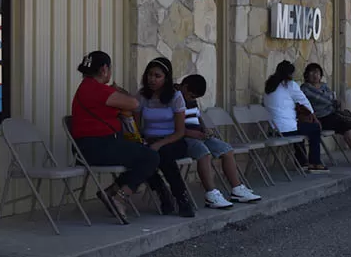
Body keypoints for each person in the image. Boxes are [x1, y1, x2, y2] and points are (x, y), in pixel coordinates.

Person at [70, 50, 161, 225]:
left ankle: (111, 192)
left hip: (94, 146)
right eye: (109, 69)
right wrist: (118, 91)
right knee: (150, 156)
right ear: (104, 69)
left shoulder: (87, 87)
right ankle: (120, 196)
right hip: (94, 148)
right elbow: (134, 104)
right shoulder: (96, 89)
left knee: (143, 154)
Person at [178, 74, 263, 207]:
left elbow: (198, 117)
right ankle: (211, 194)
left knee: (226, 149)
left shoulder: (191, 100)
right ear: (185, 87)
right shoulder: (175, 99)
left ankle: (237, 189)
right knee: (203, 153)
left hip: (199, 135)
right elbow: (174, 127)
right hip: (184, 138)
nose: (192, 98)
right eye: (192, 95)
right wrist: (193, 134)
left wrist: (205, 130)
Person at [134, 57, 196, 218]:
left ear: (166, 78)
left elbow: (180, 131)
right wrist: (144, 140)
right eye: (149, 75)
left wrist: (160, 143)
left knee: (162, 154)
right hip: (149, 139)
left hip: (172, 140)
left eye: (157, 76)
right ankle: (162, 191)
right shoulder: (142, 96)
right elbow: (135, 126)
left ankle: (181, 198)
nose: (152, 79)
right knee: (144, 155)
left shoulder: (175, 97)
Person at [300, 63, 351, 167]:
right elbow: (322, 98)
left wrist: (332, 100)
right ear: (307, 75)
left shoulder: (324, 85)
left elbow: (331, 98)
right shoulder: (305, 88)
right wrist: (331, 99)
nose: (315, 75)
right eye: (312, 72)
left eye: (317, 72)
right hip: (320, 118)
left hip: (332, 114)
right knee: (347, 127)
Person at [263, 60, 329, 173]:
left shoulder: (270, 85)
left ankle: (302, 162)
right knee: (314, 128)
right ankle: (315, 163)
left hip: (273, 129)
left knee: (300, 128)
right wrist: (315, 118)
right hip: (286, 129)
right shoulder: (289, 85)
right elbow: (304, 101)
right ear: (289, 74)